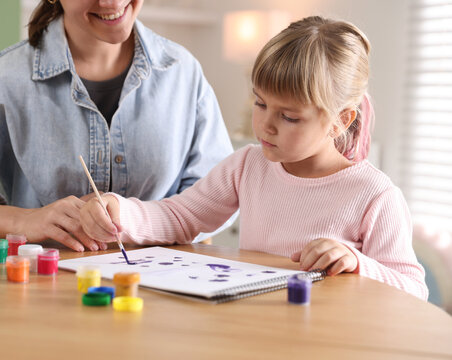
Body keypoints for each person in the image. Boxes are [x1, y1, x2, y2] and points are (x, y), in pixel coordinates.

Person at [80, 16, 429, 300]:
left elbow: (413, 289)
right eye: (260, 103)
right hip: (254, 327)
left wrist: (357, 263)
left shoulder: (375, 195)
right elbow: (181, 216)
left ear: (341, 120)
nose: (264, 124)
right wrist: (120, 210)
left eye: (289, 117)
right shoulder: (248, 164)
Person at [0, 0, 233, 252]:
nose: (111, 2)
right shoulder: (1, 82)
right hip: (38, 297)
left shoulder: (184, 73)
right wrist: (24, 220)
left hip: (161, 298)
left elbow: (220, 199)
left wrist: (139, 219)